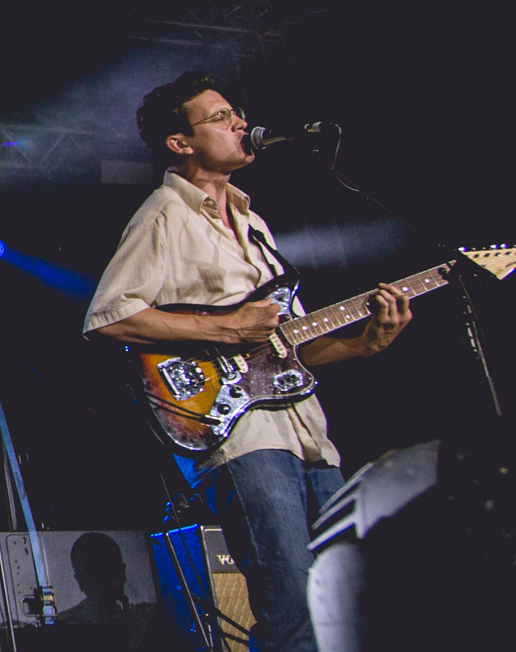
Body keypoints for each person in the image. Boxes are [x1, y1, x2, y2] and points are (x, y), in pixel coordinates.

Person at [85, 72, 412, 652]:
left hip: (308, 431)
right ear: (180, 143)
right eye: (219, 117)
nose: (239, 123)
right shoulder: (164, 213)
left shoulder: (254, 224)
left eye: (237, 113)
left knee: (346, 590)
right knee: (290, 598)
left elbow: (296, 342)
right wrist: (225, 326)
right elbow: (109, 317)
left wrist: (365, 345)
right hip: (240, 432)